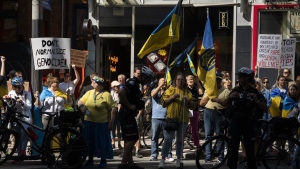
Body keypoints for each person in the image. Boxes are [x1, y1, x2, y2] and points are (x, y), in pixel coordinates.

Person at [223, 67, 267, 169]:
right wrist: (229, 97)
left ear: (247, 78)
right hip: (235, 121)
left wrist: (256, 100)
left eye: (241, 76)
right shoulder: (235, 89)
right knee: (233, 147)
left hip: (249, 122)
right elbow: (225, 103)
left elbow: (264, 107)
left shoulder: (254, 92)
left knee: (250, 149)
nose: (239, 78)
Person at [117, 66, 155, 169]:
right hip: (126, 113)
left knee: (128, 139)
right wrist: (129, 105)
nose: (147, 80)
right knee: (133, 138)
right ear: (142, 76)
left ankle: (130, 164)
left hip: (128, 114)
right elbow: (121, 93)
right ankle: (123, 164)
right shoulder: (132, 83)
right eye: (147, 78)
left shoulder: (137, 85)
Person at [158, 72, 196, 169]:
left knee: (180, 140)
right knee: (168, 139)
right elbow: (163, 102)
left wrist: (188, 101)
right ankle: (162, 159)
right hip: (171, 118)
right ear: (175, 81)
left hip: (183, 119)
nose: (180, 81)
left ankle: (179, 159)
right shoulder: (170, 90)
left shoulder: (188, 93)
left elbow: (194, 105)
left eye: (182, 80)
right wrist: (172, 97)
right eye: (178, 79)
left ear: (185, 82)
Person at [78, 76, 114, 168]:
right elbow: (80, 101)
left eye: (93, 82)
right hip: (89, 122)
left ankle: (103, 160)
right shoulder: (89, 93)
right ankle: (90, 160)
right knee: (89, 141)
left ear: (99, 84)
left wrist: (110, 122)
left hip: (102, 123)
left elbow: (112, 110)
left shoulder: (107, 95)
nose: (91, 83)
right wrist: (82, 107)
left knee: (102, 141)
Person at [199, 72, 230, 163]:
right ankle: (208, 156)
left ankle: (220, 156)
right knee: (208, 135)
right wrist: (210, 94)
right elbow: (201, 103)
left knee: (219, 135)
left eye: (219, 79)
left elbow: (226, 103)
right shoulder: (208, 90)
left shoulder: (226, 91)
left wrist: (217, 99)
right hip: (208, 112)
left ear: (221, 81)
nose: (217, 81)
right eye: (215, 79)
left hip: (220, 113)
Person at [4, 77, 32, 163]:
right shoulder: (11, 93)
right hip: (15, 116)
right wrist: (7, 100)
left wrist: (22, 102)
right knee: (17, 136)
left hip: (25, 116)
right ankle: (19, 154)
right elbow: (9, 105)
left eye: (20, 86)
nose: (19, 88)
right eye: (17, 87)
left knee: (24, 134)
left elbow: (29, 106)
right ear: (13, 87)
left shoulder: (27, 94)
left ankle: (22, 152)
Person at [149, 77, 174, 162]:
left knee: (168, 138)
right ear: (158, 83)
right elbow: (152, 95)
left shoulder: (168, 91)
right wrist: (160, 86)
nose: (164, 83)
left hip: (166, 117)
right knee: (154, 137)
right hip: (156, 117)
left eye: (165, 81)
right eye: (162, 81)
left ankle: (168, 155)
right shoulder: (155, 90)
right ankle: (154, 154)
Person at [186, 75, 202, 149]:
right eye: (189, 79)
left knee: (194, 128)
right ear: (186, 81)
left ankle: (196, 143)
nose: (191, 80)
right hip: (186, 110)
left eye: (192, 79)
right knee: (184, 128)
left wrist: (197, 82)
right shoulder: (185, 89)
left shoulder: (196, 88)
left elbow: (201, 92)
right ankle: (180, 145)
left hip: (194, 110)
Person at [110, 80, 122, 149]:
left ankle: (119, 143)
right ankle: (113, 142)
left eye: (118, 86)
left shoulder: (121, 93)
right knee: (113, 127)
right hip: (113, 110)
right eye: (116, 86)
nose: (118, 87)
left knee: (119, 127)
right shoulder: (111, 93)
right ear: (113, 87)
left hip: (119, 110)